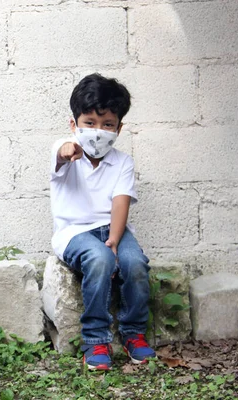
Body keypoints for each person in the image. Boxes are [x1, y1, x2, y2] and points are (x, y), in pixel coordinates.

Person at [50, 73, 156, 371]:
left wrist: (114, 240)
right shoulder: (66, 150)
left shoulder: (122, 162)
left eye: (107, 125)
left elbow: (120, 203)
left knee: (134, 263)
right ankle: (95, 339)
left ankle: (133, 333)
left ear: (118, 128)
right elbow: (61, 154)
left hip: (113, 229)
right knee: (99, 260)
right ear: (74, 125)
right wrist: (67, 150)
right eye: (90, 123)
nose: (98, 131)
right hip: (74, 233)